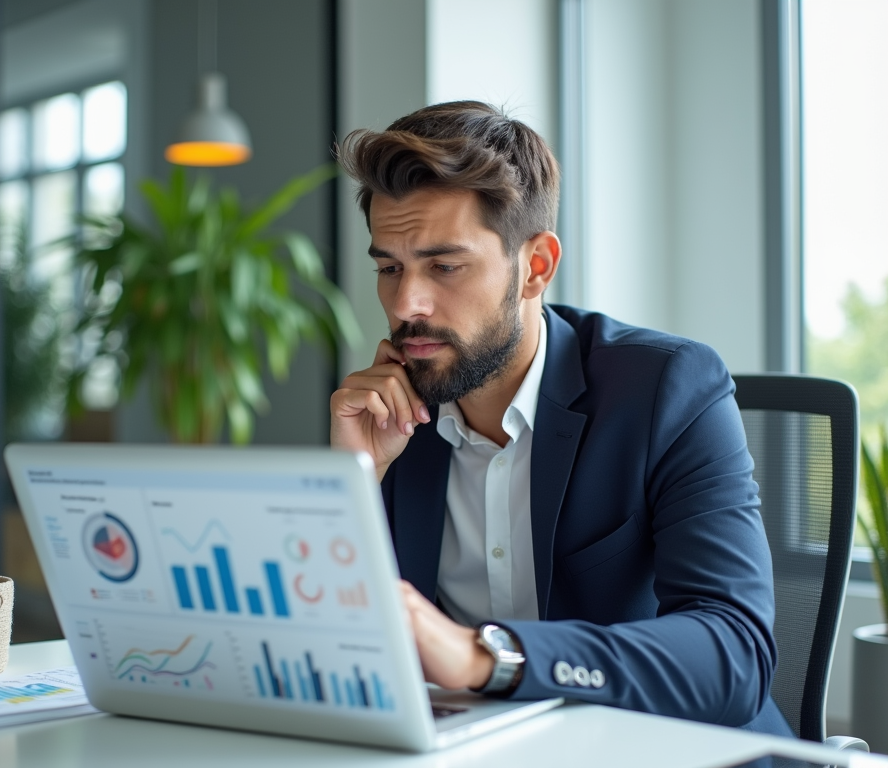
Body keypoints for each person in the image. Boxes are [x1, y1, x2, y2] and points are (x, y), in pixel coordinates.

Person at [329, 101, 792, 736]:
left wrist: (488, 657)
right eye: (389, 268)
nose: (407, 303)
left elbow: (733, 659)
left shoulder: (667, 389)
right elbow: (340, 655)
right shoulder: (389, 418)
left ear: (535, 267)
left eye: (444, 266)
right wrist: (354, 478)